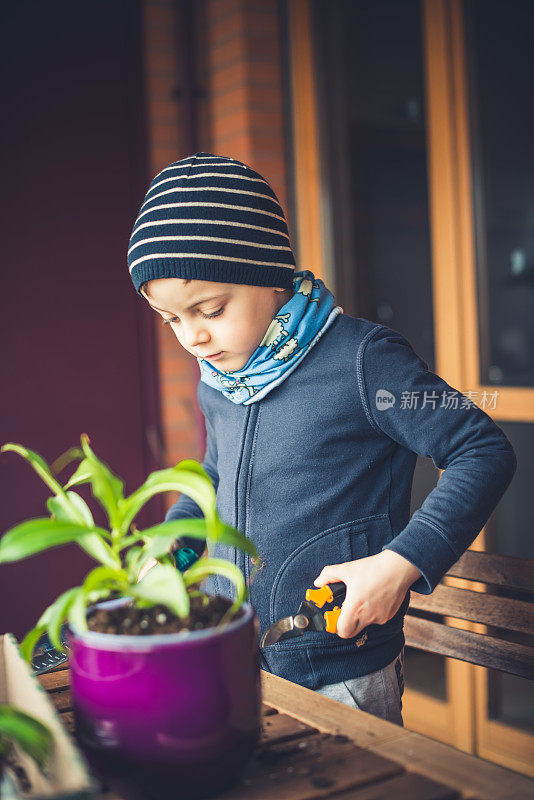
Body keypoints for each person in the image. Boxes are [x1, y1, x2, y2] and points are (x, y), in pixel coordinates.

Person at [128, 151, 516, 726]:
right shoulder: (222, 378)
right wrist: (174, 545)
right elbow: (212, 472)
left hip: (337, 664)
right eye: (172, 320)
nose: (194, 337)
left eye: (209, 309)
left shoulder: (365, 362)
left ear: (267, 274)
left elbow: (482, 450)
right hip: (228, 655)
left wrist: (400, 563)